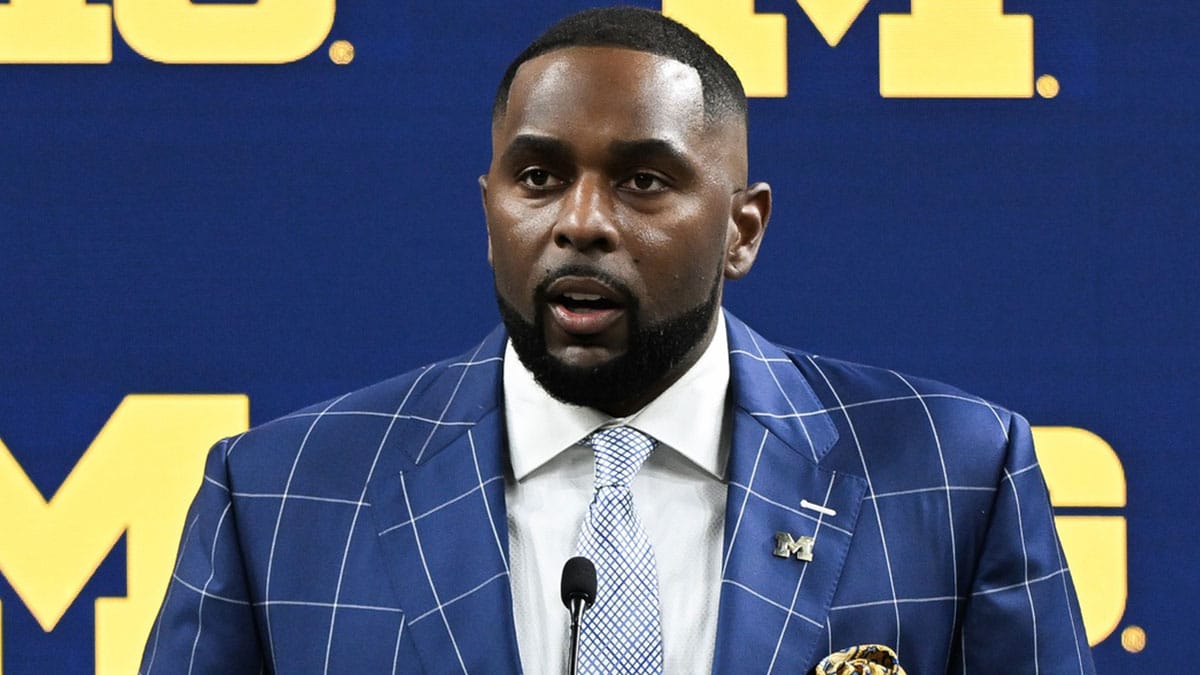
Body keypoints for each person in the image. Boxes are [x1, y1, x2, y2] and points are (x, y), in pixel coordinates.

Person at [141, 6, 1095, 674]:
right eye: (539, 176)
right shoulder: (278, 495)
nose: (580, 221)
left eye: (643, 180)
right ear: (489, 213)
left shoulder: (955, 472)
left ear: (742, 229)